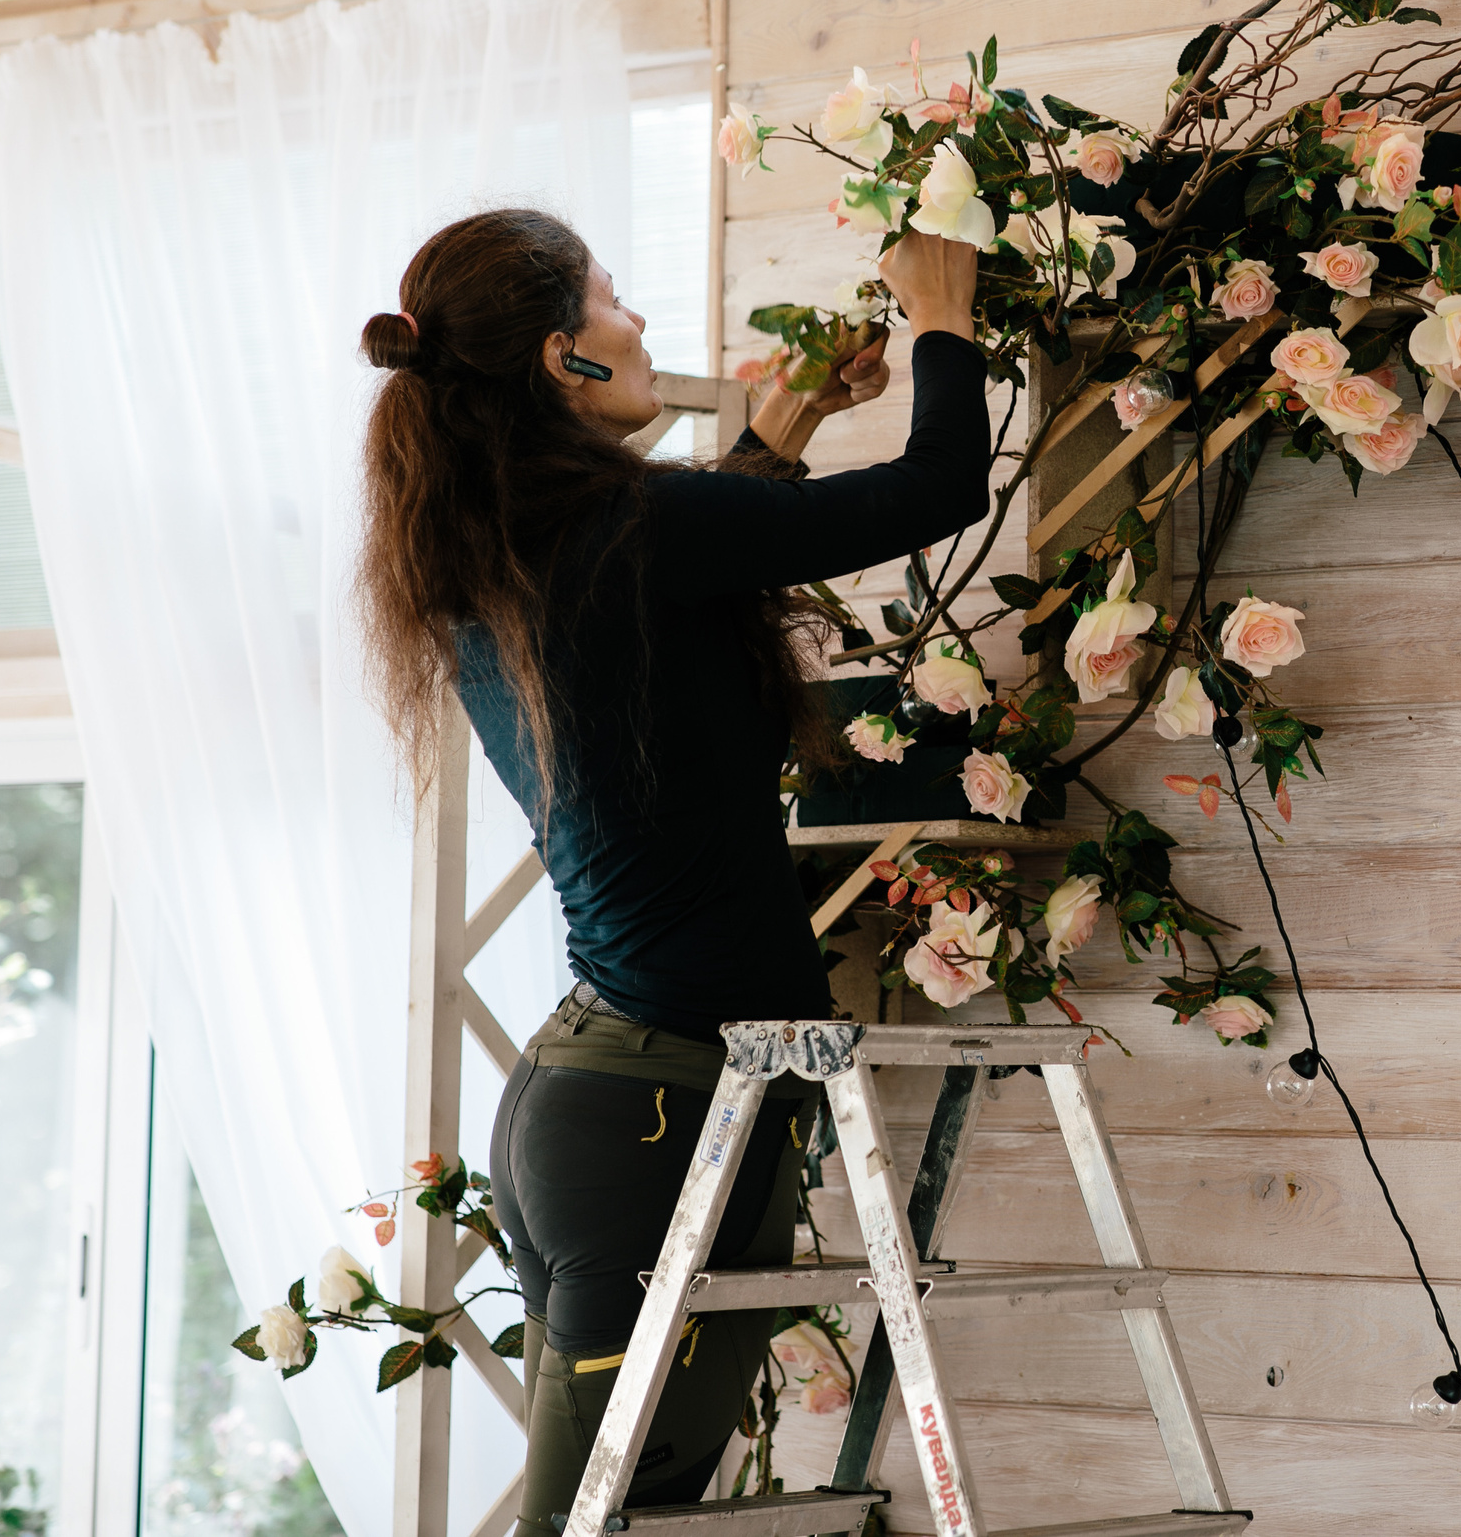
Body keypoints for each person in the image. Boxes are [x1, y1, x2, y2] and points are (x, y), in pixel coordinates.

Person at [355, 208, 989, 1532]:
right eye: (612, 299)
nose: (638, 322)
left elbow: (686, 558)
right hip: (661, 1115)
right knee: (605, 1526)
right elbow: (938, 490)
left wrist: (791, 424)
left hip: (616, 1104)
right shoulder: (627, 527)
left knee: (610, 1519)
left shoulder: (516, 545)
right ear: (562, 357)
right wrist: (942, 315)